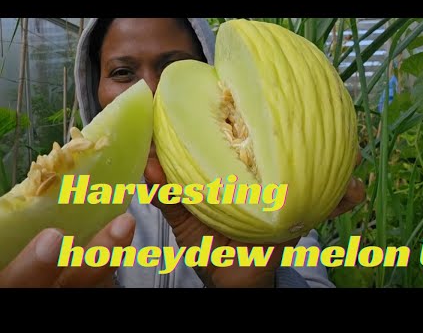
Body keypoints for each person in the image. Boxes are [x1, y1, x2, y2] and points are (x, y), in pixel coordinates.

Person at [0, 18, 365, 288]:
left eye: (173, 67)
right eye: (123, 72)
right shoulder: (63, 197)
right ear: (94, 88)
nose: (149, 92)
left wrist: (255, 284)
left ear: (217, 86)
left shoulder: (272, 190)